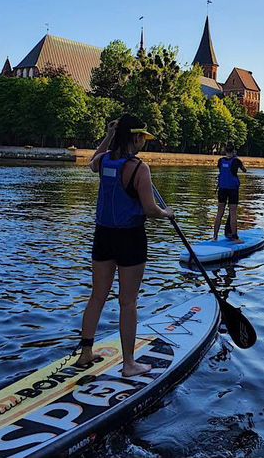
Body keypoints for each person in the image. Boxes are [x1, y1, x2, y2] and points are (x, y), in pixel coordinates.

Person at [76, 114, 174, 376]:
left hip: (103, 235)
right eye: (143, 137)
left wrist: (108, 135)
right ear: (135, 137)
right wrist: (167, 214)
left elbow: (91, 163)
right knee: (128, 302)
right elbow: (150, 209)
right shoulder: (139, 168)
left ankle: (86, 352)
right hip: (130, 239)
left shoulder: (105, 160)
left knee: (97, 296)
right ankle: (129, 364)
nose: (144, 141)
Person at [213, 142, 247, 242]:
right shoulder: (236, 161)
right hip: (232, 189)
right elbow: (244, 170)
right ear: (234, 150)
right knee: (233, 213)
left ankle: (215, 237)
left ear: (225, 151)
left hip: (222, 189)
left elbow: (221, 169)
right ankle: (235, 237)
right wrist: (236, 157)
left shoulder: (220, 160)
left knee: (219, 213)